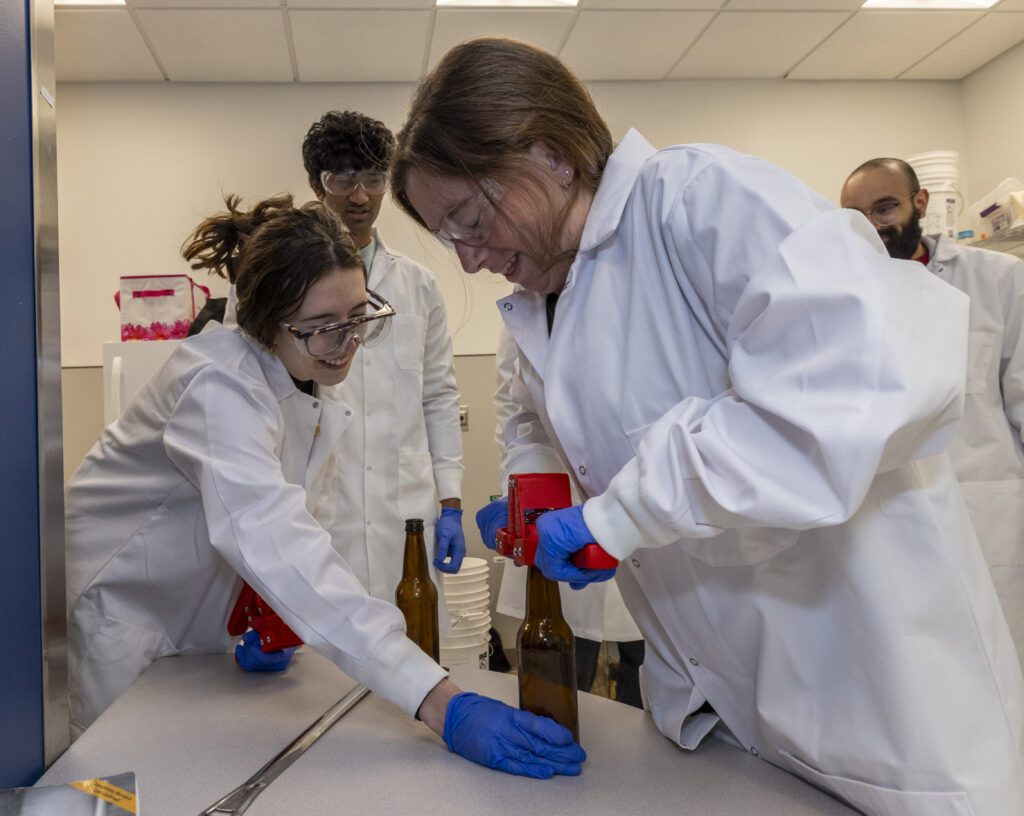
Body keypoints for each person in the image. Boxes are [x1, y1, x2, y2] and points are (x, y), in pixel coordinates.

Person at [390, 36, 1024, 814]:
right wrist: (537, 485)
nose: (468, 259)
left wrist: (619, 514)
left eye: (470, 218)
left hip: (877, 700)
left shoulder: (698, 199)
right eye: (448, 236)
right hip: (723, 708)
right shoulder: (543, 295)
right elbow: (535, 414)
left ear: (551, 154)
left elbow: (852, 382)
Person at [64, 194, 585, 778]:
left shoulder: (303, 375)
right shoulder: (217, 388)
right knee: (116, 782)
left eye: (359, 317)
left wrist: (258, 606)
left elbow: (272, 515)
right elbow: (274, 538)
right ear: (265, 323)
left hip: (189, 622)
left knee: (184, 771)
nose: (348, 345)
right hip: (124, 616)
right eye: (324, 329)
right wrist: (439, 702)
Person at [841, 158, 1024, 669]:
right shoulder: (841, 298)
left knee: (1005, 661)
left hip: (987, 511)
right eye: (856, 215)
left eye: (885, 207)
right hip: (889, 520)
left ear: (920, 204)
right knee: (922, 672)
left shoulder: (998, 280)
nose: (873, 224)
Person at [301, 111, 466, 622]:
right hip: (321, 510)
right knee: (324, 673)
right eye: (342, 179)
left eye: (373, 179)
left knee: (413, 664)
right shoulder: (285, 281)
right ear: (315, 183)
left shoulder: (417, 286)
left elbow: (438, 395)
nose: (360, 196)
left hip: (405, 512)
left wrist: (452, 501)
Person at [489, 324, 644, 706]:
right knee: (569, 658)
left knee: (647, 658)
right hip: (562, 502)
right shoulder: (527, 307)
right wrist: (520, 494)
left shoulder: (649, 287)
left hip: (652, 501)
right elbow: (519, 413)